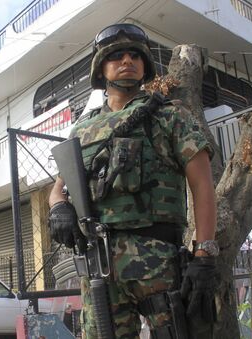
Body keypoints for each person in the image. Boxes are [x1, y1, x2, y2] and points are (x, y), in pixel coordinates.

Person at [48, 23, 218, 338]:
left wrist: (204, 254)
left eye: (135, 56)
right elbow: (59, 189)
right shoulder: (82, 131)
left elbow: (203, 185)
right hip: (98, 264)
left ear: (145, 66)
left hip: (157, 260)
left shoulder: (169, 115)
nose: (128, 61)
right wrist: (59, 208)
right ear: (101, 68)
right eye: (117, 56)